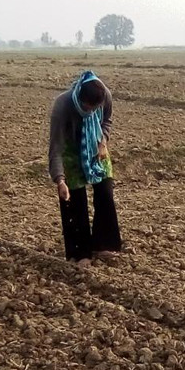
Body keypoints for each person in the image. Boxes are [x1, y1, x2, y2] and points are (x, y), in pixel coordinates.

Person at [48, 71, 122, 266]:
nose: (90, 112)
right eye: (86, 107)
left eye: (94, 108)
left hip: (97, 145)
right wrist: (60, 180)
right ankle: (80, 252)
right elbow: (56, 146)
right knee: (74, 200)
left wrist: (103, 141)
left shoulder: (105, 96)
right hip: (71, 149)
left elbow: (106, 121)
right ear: (79, 98)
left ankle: (103, 244)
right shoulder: (63, 105)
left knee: (105, 192)